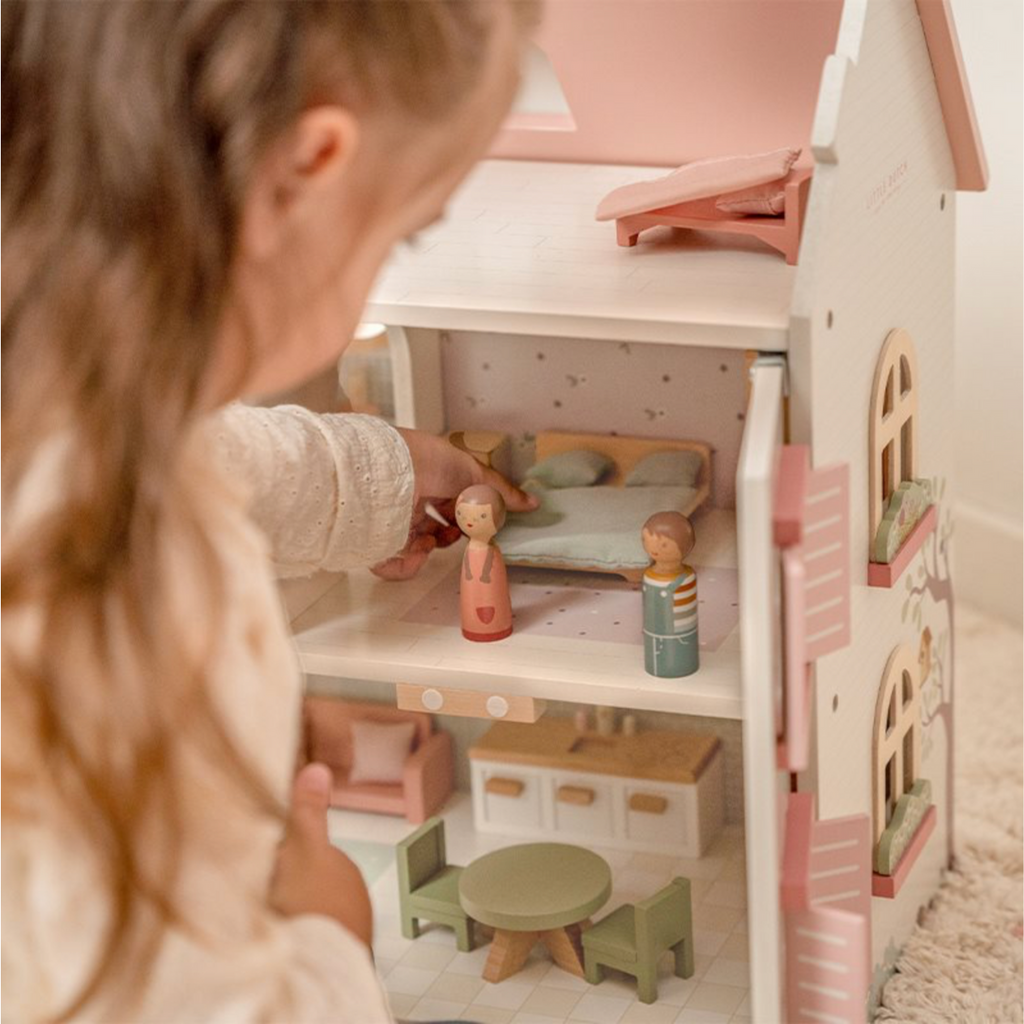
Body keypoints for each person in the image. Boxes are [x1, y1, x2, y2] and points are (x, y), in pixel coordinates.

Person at [1, 2, 539, 1020]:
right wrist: (328, 944)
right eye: (404, 231)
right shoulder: (109, 603)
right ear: (303, 174)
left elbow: (220, 458)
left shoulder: (55, 393)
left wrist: (381, 477)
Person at [640, 512, 700, 678]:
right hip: (654, 633)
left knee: (678, 652)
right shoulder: (649, 576)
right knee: (656, 655)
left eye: (664, 545)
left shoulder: (686, 578)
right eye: (646, 540)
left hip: (681, 635)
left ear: (686, 546)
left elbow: (686, 615)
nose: (654, 549)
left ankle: (678, 666)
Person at [455, 484, 513, 642]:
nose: (469, 521)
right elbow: (467, 564)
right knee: (472, 600)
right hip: (471, 581)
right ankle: (476, 627)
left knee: (492, 598)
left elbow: (489, 565)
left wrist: (485, 574)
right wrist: (468, 573)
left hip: (486, 579)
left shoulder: (491, 550)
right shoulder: (470, 549)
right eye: (461, 514)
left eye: (481, 517)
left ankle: (495, 627)